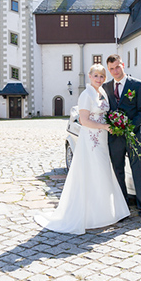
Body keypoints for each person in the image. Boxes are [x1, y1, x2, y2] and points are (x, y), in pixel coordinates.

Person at [34, 64, 130, 235]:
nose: (99, 79)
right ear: (89, 76)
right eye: (96, 76)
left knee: (103, 174)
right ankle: (90, 216)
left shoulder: (102, 93)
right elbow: (84, 121)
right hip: (91, 140)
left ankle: (104, 213)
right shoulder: (86, 95)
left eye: (102, 76)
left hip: (102, 139)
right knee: (93, 173)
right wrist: (106, 126)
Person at [103, 54, 141, 229]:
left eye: (117, 67)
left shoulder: (137, 85)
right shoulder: (106, 87)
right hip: (114, 138)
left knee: (139, 173)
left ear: (123, 65)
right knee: (117, 173)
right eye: (111, 69)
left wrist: (127, 127)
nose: (115, 71)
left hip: (134, 137)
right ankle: (122, 210)